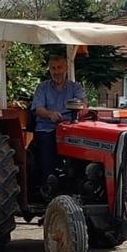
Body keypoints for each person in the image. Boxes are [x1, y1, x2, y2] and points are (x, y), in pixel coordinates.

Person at [30, 53, 87, 191]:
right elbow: (38, 108)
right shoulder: (42, 87)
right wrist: (49, 114)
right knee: (47, 149)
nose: (57, 72)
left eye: (59, 67)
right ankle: (48, 184)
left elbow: (83, 104)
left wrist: (81, 108)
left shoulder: (75, 88)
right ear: (50, 70)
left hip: (70, 129)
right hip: (48, 128)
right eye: (53, 68)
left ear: (66, 68)